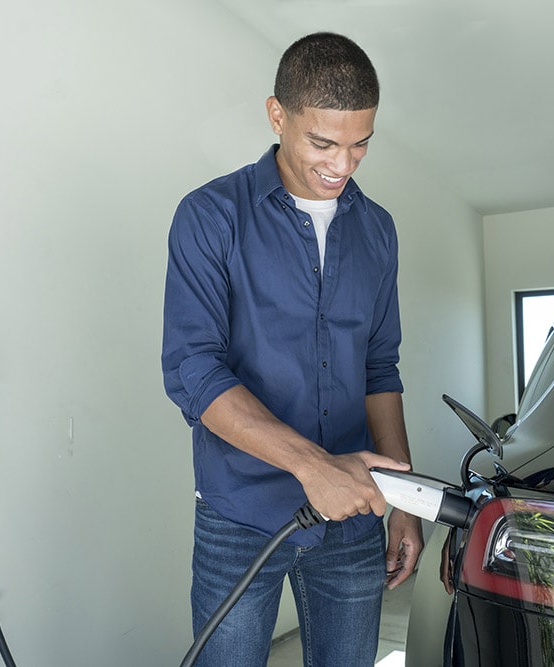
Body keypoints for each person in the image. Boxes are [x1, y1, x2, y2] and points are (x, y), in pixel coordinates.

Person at [162, 31, 423, 666]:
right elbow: (192, 370)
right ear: (277, 115)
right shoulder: (211, 215)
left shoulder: (379, 229)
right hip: (239, 513)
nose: (343, 164)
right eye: (323, 143)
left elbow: (379, 367)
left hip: (355, 518)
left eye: (360, 144)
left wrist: (406, 504)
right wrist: (313, 467)